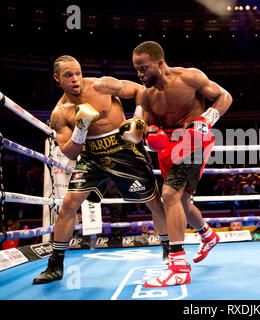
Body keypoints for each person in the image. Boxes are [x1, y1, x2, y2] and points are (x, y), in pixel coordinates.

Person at [33, 55, 169, 284]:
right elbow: (70, 153)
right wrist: (81, 128)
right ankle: (55, 265)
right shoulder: (59, 113)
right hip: (92, 155)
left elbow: (141, 92)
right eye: (68, 75)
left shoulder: (101, 84)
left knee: (153, 200)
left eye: (77, 72)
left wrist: (137, 120)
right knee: (68, 204)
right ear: (57, 78)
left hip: (125, 147)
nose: (76, 79)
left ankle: (169, 251)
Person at [132, 41, 233, 287]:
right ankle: (207, 235)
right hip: (169, 148)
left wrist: (207, 119)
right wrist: (151, 132)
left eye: (143, 68)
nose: (140, 74)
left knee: (169, 195)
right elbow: (150, 123)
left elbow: (224, 96)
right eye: (136, 69)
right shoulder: (147, 95)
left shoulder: (190, 77)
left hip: (195, 141)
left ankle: (177, 266)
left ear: (159, 63)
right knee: (182, 202)